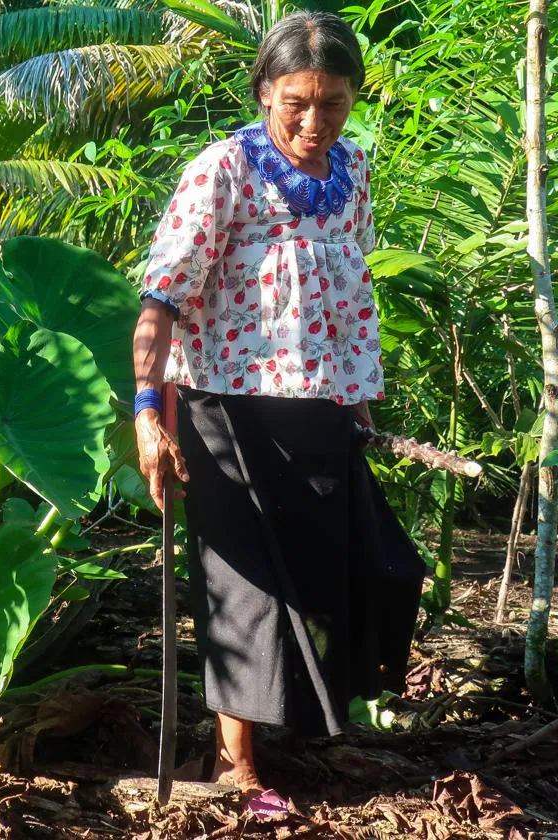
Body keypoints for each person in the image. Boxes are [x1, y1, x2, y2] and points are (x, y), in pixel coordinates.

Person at [132, 11, 424, 797]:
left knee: (353, 570)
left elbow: (349, 286)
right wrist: (147, 417)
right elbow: (161, 300)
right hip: (225, 411)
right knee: (250, 593)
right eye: (296, 99)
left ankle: (307, 733)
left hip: (320, 405)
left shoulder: (353, 169)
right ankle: (241, 768)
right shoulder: (223, 170)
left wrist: (359, 399)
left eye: (333, 102)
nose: (313, 120)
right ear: (265, 91)